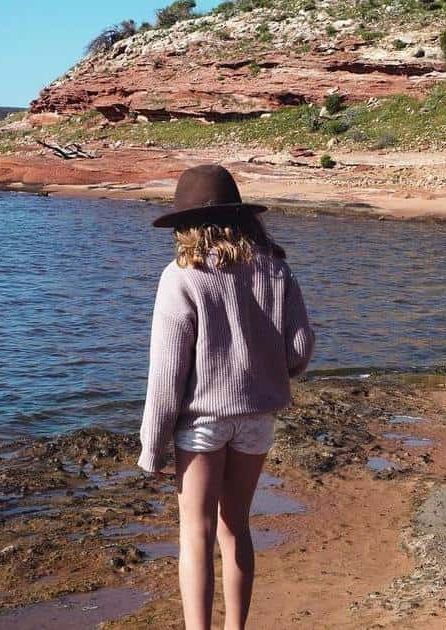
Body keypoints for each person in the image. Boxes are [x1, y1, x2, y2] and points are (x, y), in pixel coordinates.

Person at [138, 164, 315, 630]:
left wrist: (151, 446)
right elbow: (299, 348)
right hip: (258, 416)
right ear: (241, 218)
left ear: (185, 226)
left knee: (195, 535)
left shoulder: (181, 277)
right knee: (236, 526)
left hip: (201, 421)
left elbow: (166, 375)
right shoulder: (276, 268)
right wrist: (272, 371)